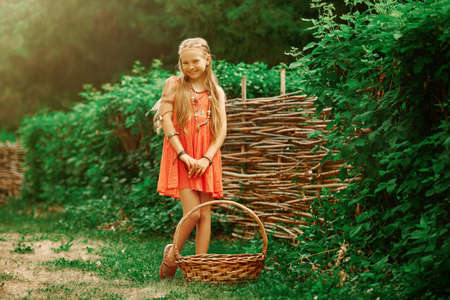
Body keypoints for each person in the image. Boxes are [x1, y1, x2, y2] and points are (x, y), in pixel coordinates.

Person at [155, 37, 227, 279]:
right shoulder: (174, 85)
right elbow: (166, 121)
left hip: (207, 157)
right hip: (182, 155)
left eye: (195, 61)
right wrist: (184, 154)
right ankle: (173, 255)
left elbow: (221, 131)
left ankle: (198, 268)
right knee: (193, 213)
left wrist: (206, 158)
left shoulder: (216, 92)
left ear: (207, 60)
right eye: (184, 62)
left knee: (205, 214)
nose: (189, 66)